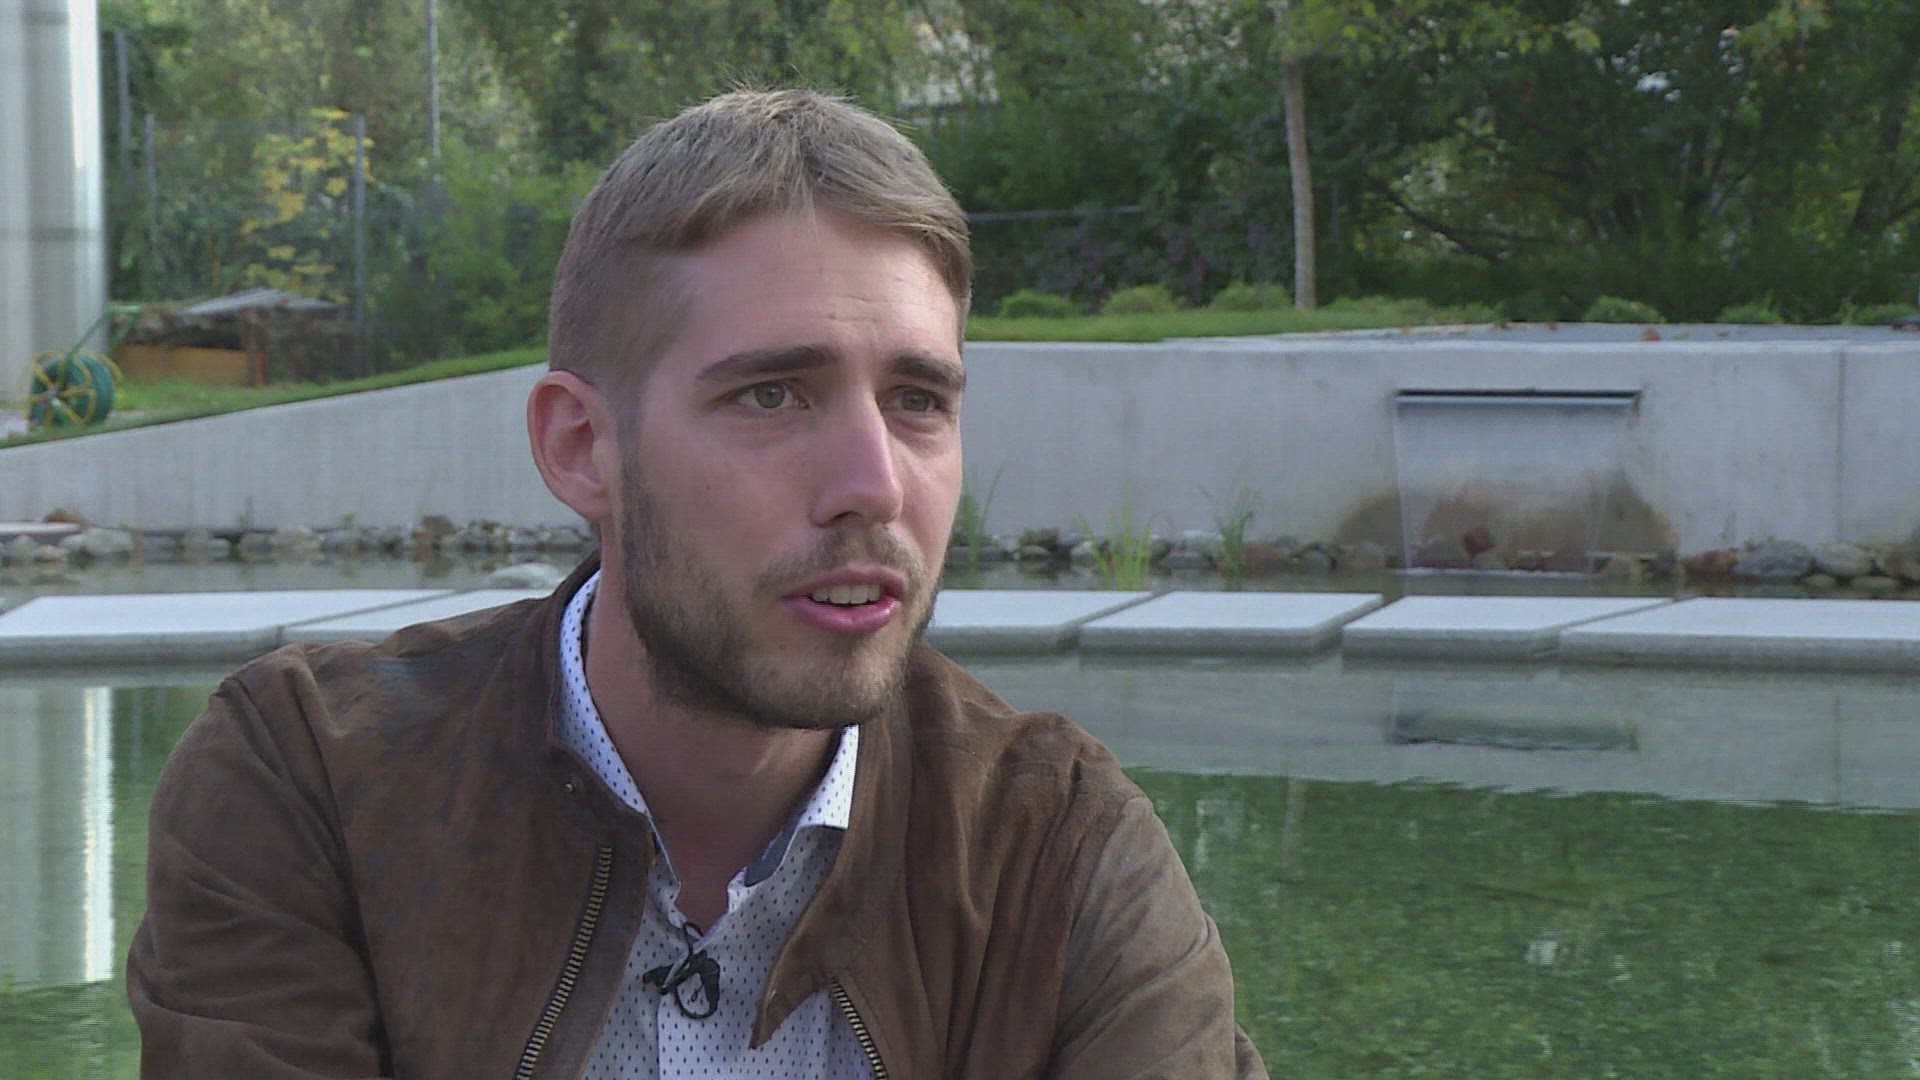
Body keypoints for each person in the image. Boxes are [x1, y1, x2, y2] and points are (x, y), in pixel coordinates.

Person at [128, 88, 1268, 1079]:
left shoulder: (1055, 845)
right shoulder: (314, 779)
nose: (874, 485)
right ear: (583, 446)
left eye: (918, 401)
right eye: (772, 396)